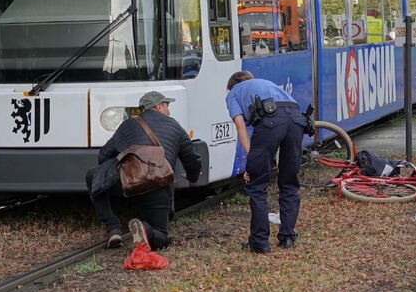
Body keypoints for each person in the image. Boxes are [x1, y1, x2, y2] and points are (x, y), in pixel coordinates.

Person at [86, 91, 202, 250]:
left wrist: (121, 169)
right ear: (159, 106)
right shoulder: (174, 125)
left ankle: (113, 228)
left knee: (93, 176)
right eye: (167, 106)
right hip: (158, 185)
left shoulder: (127, 125)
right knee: (161, 234)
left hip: (130, 181)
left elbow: (104, 155)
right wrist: (192, 177)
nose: (169, 111)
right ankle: (146, 230)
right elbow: (192, 158)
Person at [226, 70, 307, 253]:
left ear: (231, 86)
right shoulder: (265, 83)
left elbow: (241, 128)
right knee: (289, 182)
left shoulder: (233, 93)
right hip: (297, 119)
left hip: (271, 120)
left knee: (257, 186)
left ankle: (260, 242)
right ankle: (287, 238)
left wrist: (251, 160)